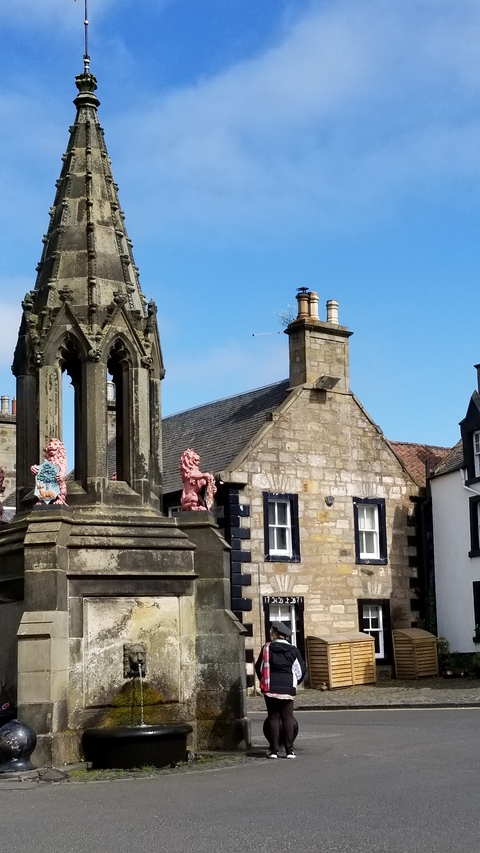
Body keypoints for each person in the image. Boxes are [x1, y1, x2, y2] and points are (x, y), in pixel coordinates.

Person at [255, 621, 306, 759]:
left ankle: (273, 751)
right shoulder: (294, 650)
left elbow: (259, 668)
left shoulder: (266, 649)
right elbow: (300, 671)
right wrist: (294, 683)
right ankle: (290, 750)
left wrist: (264, 680)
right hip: (288, 687)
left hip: (270, 686)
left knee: (273, 717)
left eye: (272, 632)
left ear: (275, 634)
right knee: (288, 718)